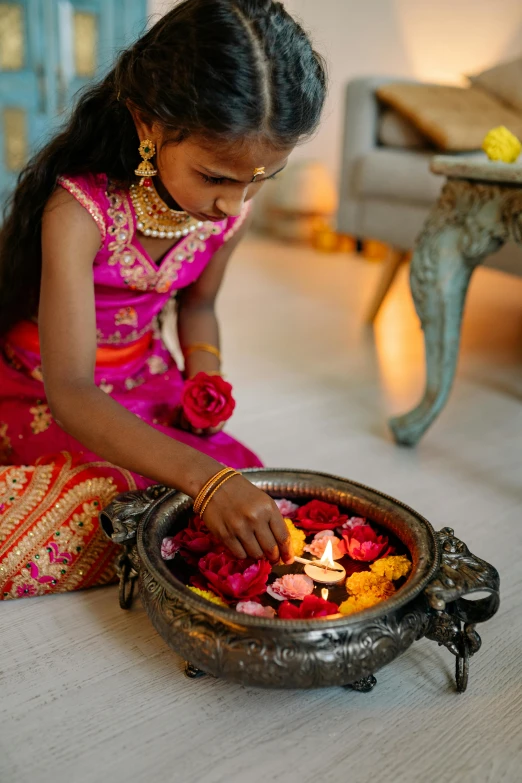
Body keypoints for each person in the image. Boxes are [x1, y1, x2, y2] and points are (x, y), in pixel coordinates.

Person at [0, 0, 326, 599]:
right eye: (215, 178)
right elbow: (71, 392)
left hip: (146, 376)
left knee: (252, 487)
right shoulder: (78, 211)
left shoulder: (232, 210)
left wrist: (206, 380)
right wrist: (202, 479)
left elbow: (199, 309)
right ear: (146, 122)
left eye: (261, 179)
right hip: (49, 386)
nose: (235, 203)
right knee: (124, 502)